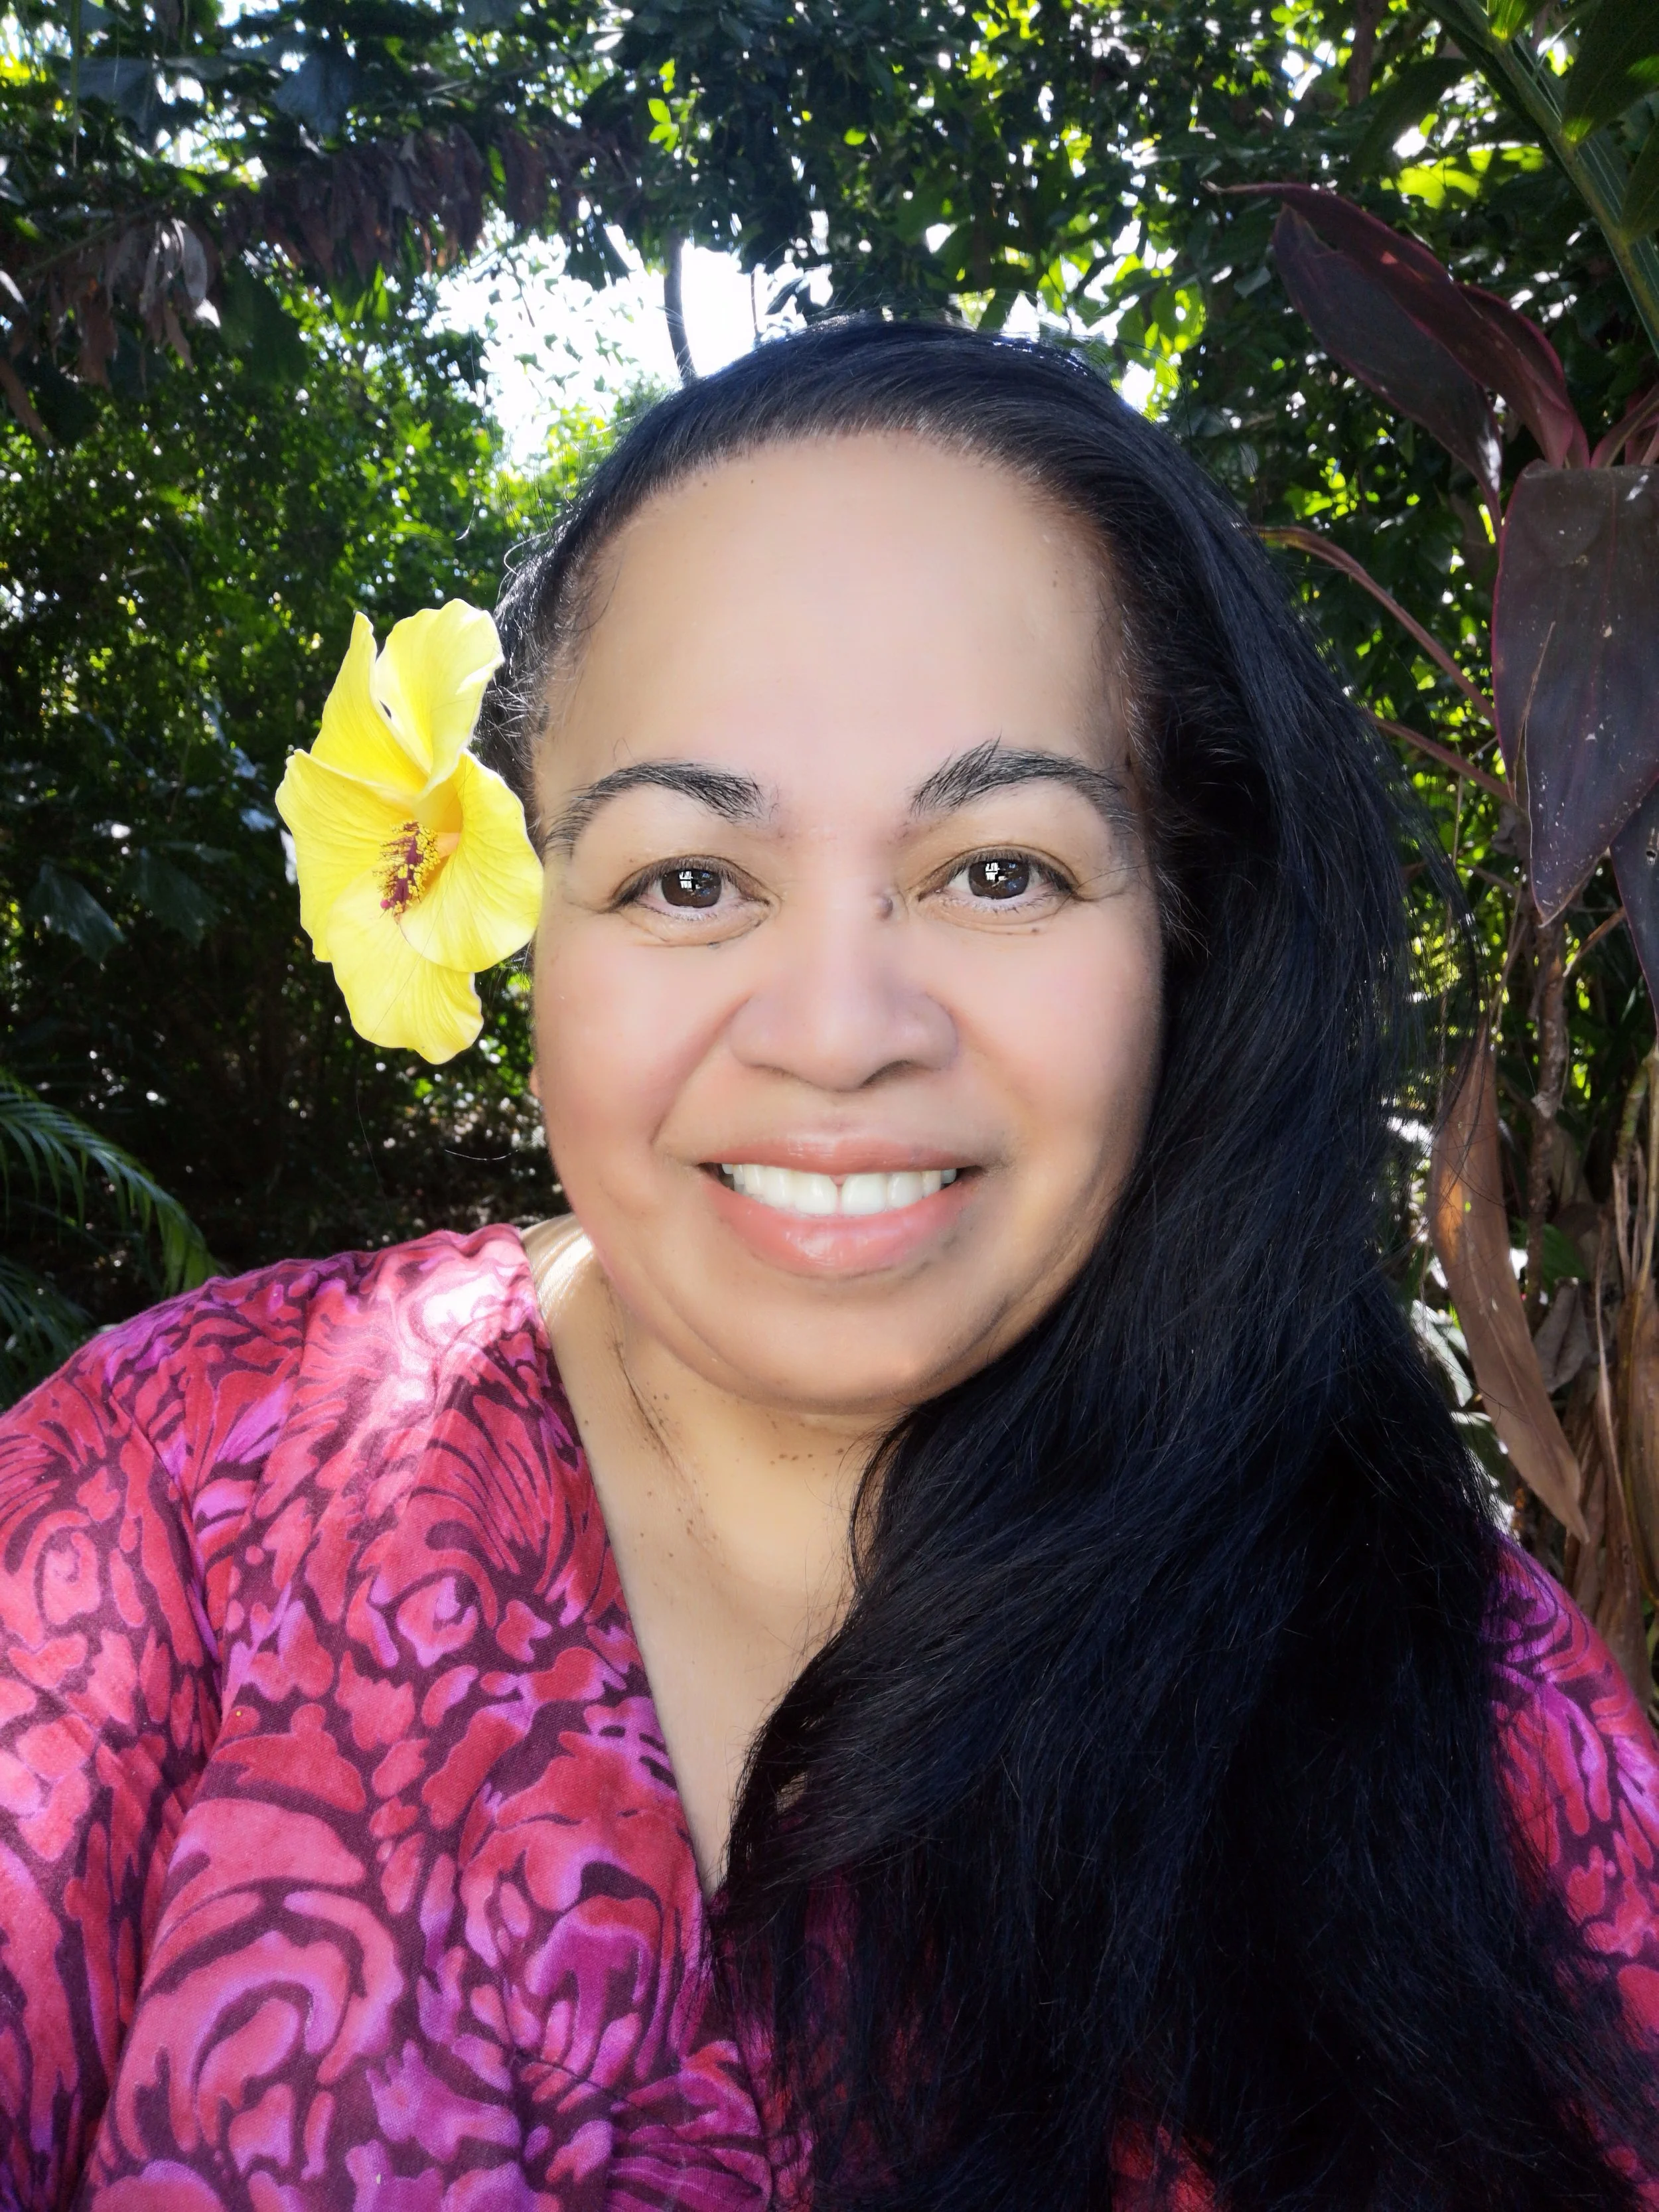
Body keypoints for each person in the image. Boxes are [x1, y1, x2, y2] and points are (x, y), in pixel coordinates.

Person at [0, 319, 1655, 2212]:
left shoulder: (1468, 1698)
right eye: (687, 879)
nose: (840, 1030)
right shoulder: (173, 1489)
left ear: (1182, 929)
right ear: (529, 918)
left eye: (998, 869)